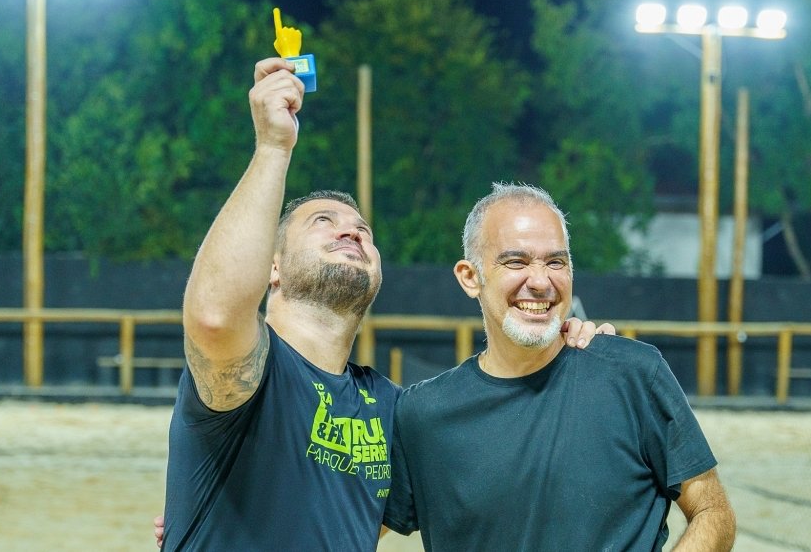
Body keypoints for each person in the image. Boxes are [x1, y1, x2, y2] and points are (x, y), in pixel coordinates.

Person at [159, 59, 607, 551]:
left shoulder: (393, 408)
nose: (351, 231)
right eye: (323, 221)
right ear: (273, 266)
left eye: (363, 230)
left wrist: (559, 354)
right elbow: (215, 317)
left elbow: (490, 451)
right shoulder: (253, 373)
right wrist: (272, 147)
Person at [382, 182, 737, 551]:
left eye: (556, 262)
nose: (540, 282)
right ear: (470, 277)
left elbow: (713, 511)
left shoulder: (634, 375)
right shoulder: (421, 414)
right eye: (516, 261)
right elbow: (351, 528)